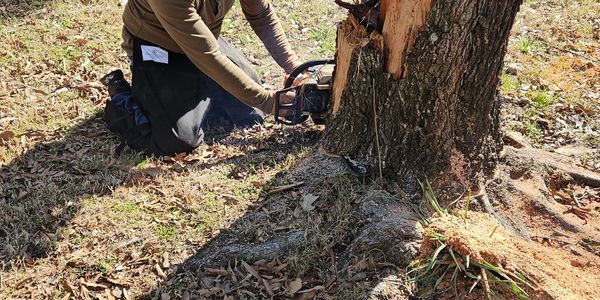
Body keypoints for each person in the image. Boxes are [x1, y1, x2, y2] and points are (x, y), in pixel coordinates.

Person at [101, 0, 300, 156]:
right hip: (157, 47)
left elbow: (261, 15)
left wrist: (295, 68)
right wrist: (269, 101)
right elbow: (207, 56)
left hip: (202, 41)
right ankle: (122, 96)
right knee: (177, 141)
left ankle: (195, 93)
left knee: (251, 114)